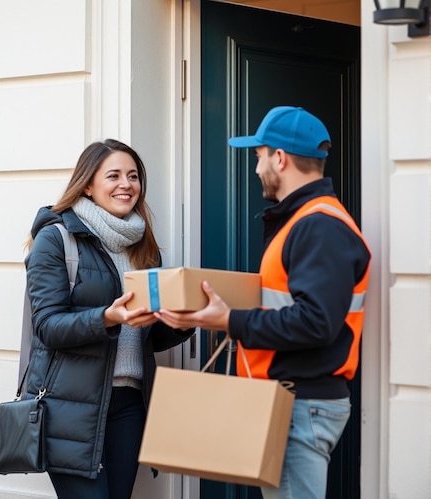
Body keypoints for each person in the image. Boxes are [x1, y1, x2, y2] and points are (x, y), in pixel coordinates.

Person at [154, 106, 371, 499]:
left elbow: (315, 322)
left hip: (298, 405)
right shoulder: (304, 221)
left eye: (258, 156)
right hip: (290, 401)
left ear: (280, 158)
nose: (255, 170)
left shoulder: (319, 226)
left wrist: (229, 320)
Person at [23, 138, 194, 499]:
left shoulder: (143, 248)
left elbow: (146, 334)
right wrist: (107, 317)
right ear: (87, 184)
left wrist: (181, 323)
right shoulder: (55, 240)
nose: (126, 184)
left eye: (133, 176)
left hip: (128, 403)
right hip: (71, 406)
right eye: (113, 175)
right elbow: (48, 327)